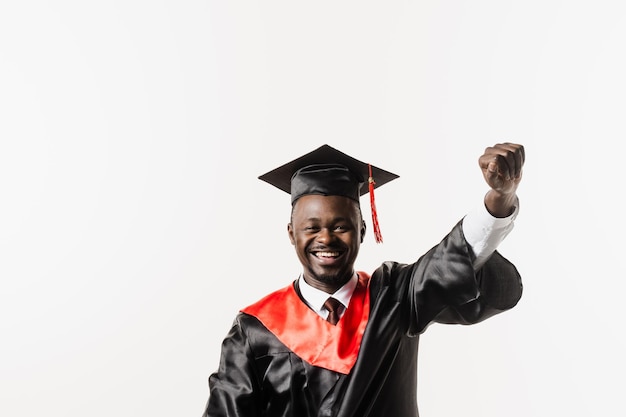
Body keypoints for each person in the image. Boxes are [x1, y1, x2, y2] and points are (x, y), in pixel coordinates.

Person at [203, 143, 525, 417]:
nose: (325, 238)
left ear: (361, 232)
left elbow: (447, 261)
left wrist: (498, 201)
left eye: (340, 226)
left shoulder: (395, 297)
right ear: (292, 234)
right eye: (311, 228)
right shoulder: (255, 328)